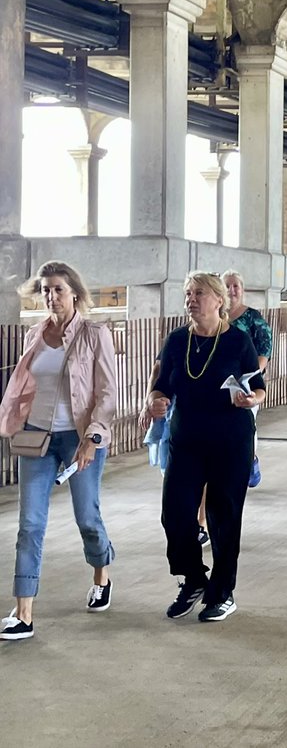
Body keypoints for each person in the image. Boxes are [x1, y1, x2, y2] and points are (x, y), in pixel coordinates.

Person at [0, 261, 117, 641]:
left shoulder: (94, 334)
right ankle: (23, 612)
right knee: (30, 525)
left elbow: (106, 393)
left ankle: (102, 573)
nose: (52, 297)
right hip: (37, 437)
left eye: (58, 290)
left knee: (87, 518)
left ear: (75, 294)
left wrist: (92, 438)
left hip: (79, 438)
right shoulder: (35, 334)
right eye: (46, 290)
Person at [145, 272, 266, 623]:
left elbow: (258, 386)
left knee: (223, 516)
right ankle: (194, 579)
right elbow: (162, 385)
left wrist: (250, 399)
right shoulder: (176, 341)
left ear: (218, 300)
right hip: (187, 441)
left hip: (231, 440)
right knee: (175, 513)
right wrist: (154, 401)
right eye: (187, 293)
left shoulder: (238, 342)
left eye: (198, 293)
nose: (191, 299)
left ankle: (222, 592)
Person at [224, 270, 272, 489]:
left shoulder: (253, 318)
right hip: (219, 382)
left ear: (242, 290)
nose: (232, 290)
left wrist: (252, 374)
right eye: (227, 286)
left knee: (246, 424)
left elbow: (264, 349)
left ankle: (249, 461)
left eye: (236, 286)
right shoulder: (215, 317)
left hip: (246, 382)